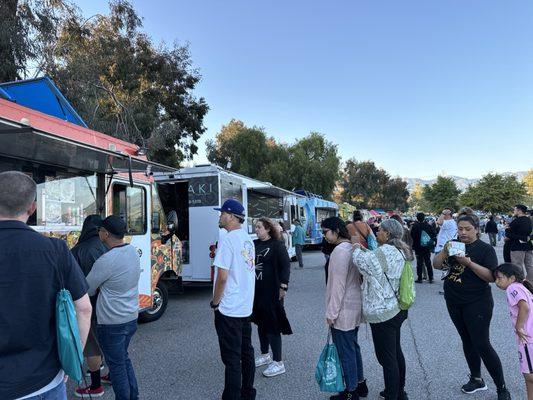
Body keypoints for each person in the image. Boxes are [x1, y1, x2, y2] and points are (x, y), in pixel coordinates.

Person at [0, 171, 92, 400]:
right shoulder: (56, 250)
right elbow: (84, 309)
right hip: (45, 382)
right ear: (32, 208)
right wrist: (72, 360)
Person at [433, 215, 511, 400]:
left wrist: (469, 263)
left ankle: (501, 388)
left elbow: (492, 277)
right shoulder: (453, 243)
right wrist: (445, 251)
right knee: (467, 340)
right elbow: (436, 265)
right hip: (453, 300)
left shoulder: (485, 249)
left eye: (467, 229)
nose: (463, 232)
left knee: (482, 343)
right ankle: (476, 379)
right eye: (460, 229)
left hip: (477, 303)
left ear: (476, 228)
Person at [353, 219, 412, 400]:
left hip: (383, 313)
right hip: (397, 308)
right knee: (395, 352)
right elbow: (374, 261)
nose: (376, 232)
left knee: (387, 358)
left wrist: (356, 247)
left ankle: (392, 395)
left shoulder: (384, 251)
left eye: (379, 230)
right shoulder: (399, 251)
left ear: (387, 234)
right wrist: (365, 251)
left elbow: (363, 265)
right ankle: (399, 392)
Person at [86, 215, 141, 400]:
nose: (98, 233)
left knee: (117, 367)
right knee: (123, 360)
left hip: (111, 323)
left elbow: (88, 288)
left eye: (100, 230)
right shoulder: (132, 251)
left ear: (106, 233)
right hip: (131, 318)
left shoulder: (106, 260)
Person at [211, 199, 256, 400]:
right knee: (246, 353)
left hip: (228, 308)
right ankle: (248, 392)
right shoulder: (247, 239)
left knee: (232, 359)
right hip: (245, 306)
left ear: (230, 216)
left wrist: (215, 302)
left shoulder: (228, 240)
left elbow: (222, 277)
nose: (219, 216)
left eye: (221, 213)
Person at [323, 217, 367, 400]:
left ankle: (350, 392)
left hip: (343, 310)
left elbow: (337, 286)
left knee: (345, 351)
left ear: (335, 230)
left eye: (325, 231)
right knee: (353, 348)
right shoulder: (352, 248)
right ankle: (360, 384)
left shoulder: (339, 252)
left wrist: (331, 313)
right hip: (355, 306)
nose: (324, 235)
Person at [72, 215, 109, 398]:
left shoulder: (77, 250)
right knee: (110, 341)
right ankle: (111, 374)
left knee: (91, 345)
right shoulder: (109, 246)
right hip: (110, 305)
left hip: (87, 303)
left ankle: (95, 386)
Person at [252, 218, 292, 378]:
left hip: (273, 291)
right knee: (260, 322)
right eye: (255, 227)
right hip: (257, 291)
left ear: (268, 229)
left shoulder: (277, 245)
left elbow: (286, 266)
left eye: (259, 227)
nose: (256, 230)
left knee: (272, 324)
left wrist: (284, 286)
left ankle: (278, 362)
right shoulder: (254, 244)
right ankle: (265, 354)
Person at [494, 263, 533, 400]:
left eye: (499, 278)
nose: (496, 281)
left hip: (527, 338)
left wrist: (519, 327)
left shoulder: (512, 288)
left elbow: (525, 307)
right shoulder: (522, 287)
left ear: (511, 278)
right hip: (529, 336)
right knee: (529, 375)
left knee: (529, 374)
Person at [506, 205, 533, 280]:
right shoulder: (529, 220)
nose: (514, 211)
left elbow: (509, 234)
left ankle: (520, 283)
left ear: (519, 211)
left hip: (517, 246)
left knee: (517, 266)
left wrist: (507, 229)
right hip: (528, 245)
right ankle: (530, 283)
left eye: (515, 210)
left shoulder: (516, 221)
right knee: (529, 265)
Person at [410, 212, 437, 283]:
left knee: (419, 263)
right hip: (426, 246)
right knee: (428, 262)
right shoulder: (428, 225)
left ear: (417, 218)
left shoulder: (415, 226)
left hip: (418, 247)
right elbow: (433, 234)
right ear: (424, 218)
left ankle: (420, 278)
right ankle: (431, 278)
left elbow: (412, 236)